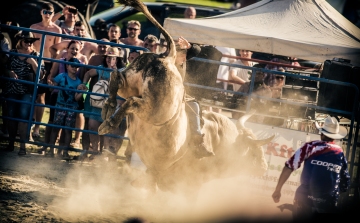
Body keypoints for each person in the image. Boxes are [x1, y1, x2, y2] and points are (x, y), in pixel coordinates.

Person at [272, 116, 350, 221]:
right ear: (335, 136)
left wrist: (278, 190)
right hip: (328, 203)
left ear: (322, 133)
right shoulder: (340, 153)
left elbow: (289, 167)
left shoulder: (310, 147)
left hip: (304, 199)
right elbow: (345, 183)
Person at [37, 40, 87, 154]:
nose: (74, 51)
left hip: (71, 100)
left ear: (79, 51)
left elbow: (84, 79)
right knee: (52, 122)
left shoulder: (82, 62)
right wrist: (51, 84)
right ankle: (48, 147)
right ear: (67, 48)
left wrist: (82, 88)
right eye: (72, 48)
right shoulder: (61, 61)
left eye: (76, 49)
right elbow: (52, 75)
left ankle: (61, 150)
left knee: (67, 127)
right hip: (57, 95)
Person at [3, 31, 44, 155]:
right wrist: (9, 72)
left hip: (27, 91)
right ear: (20, 41)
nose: (28, 43)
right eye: (26, 41)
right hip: (12, 89)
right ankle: (10, 143)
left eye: (31, 41)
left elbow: (41, 75)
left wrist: (33, 63)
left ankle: (22, 146)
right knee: (11, 116)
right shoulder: (13, 53)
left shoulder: (36, 55)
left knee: (24, 117)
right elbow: (3, 66)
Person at [81, 47, 125, 159]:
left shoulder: (122, 72)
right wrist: (84, 84)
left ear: (117, 59)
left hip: (112, 104)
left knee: (108, 129)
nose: (110, 60)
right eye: (108, 58)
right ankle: (95, 151)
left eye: (113, 58)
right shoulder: (101, 69)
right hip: (99, 103)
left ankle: (104, 155)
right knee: (92, 126)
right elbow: (88, 74)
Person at [30, 2, 62, 138]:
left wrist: (52, 70)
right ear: (41, 13)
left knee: (42, 97)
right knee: (31, 95)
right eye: (45, 12)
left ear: (53, 14)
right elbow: (28, 47)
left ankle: (37, 128)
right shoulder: (33, 27)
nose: (47, 15)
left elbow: (57, 52)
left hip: (48, 63)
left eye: (50, 13)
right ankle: (28, 126)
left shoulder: (56, 30)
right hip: (34, 61)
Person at [47, 57, 86, 158]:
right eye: (73, 65)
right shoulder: (61, 76)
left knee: (68, 130)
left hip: (72, 108)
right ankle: (51, 150)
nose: (75, 68)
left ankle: (65, 152)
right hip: (60, 105)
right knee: (56, 128)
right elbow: (53, 87)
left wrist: (82, 92)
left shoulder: (78, 82)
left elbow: (77, 98)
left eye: (77, 66)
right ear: (67, 66)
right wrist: (50, 84)